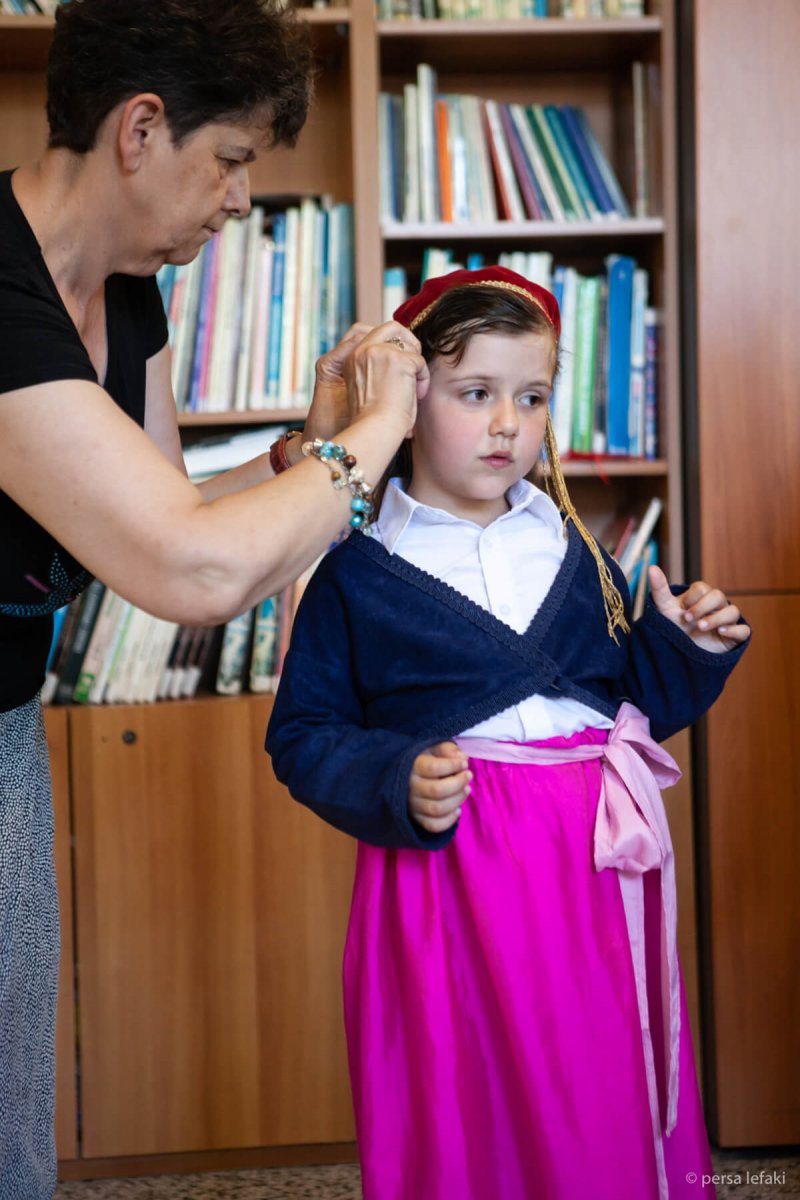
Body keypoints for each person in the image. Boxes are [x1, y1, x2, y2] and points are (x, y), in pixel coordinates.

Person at [0, 1, 426, 1194]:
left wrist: (312, 444)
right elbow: (190, 568)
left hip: (3, 718)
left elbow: (160, 495)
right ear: (140, 129)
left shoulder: (127, 287)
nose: (243, 200)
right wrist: (382, 436)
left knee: (7, 1092)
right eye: (232, 159)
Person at [266, 266, 751, 1200]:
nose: (506, 424)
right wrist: (393, 774)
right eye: (476, 394)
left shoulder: (574, 548)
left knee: (596, 1087)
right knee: (470, 1104)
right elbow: (305, 734)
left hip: (593, 877)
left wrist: (682, 648)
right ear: (407, 405)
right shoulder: (355, 570)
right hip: (450, 885)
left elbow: (631, 701)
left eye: (530, 398)